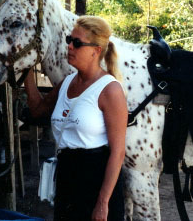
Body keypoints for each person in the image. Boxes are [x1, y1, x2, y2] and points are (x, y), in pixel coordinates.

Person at [24, 16, 127, 221]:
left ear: (96, 50)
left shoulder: (110, 90)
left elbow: (118, 152)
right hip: (67, 176)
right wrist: (25, 69)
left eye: (77, 43)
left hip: (96, 179)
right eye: (69, 40)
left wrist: (103, 202)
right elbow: (37, 110)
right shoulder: (67, 82)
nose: (69, 46)